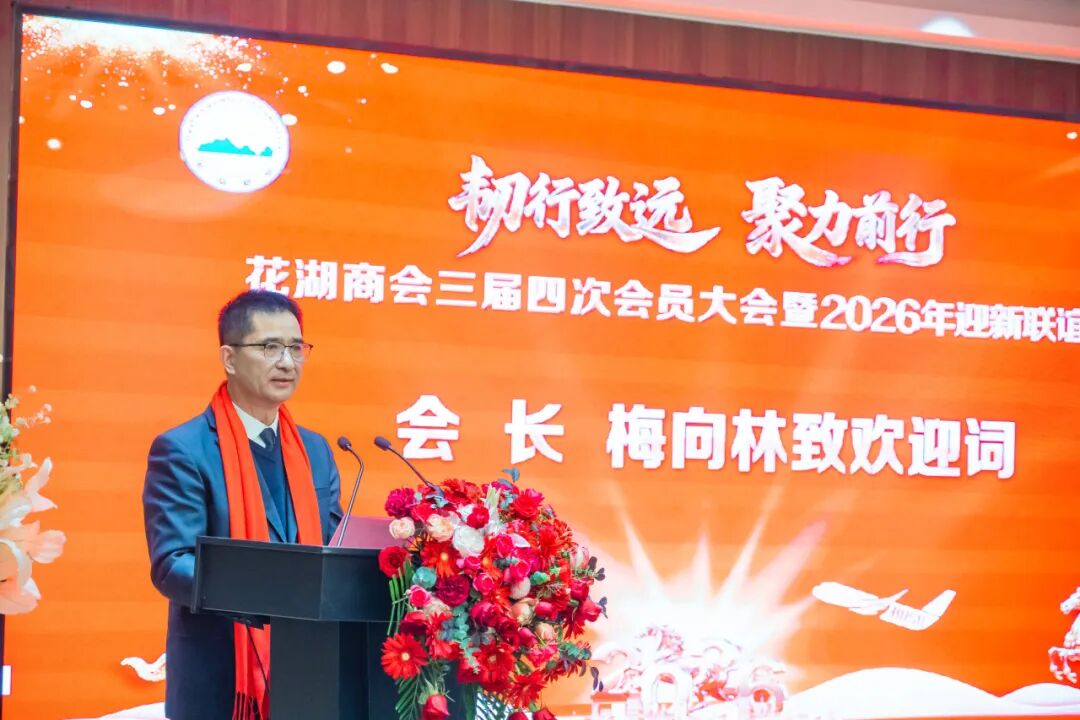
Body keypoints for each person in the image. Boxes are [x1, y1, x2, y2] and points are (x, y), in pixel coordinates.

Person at [143, 290, 343, 720]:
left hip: (309, 674)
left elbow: (333, 545)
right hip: (220, 682)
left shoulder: (315, 450)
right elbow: (172, 564)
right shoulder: (183, 449)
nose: (287, 362)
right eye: (269, 347)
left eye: (296, 347)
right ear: (229, 359)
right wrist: (268, 594)